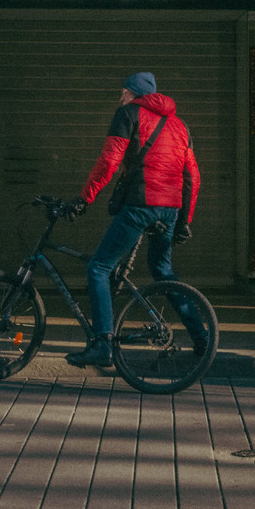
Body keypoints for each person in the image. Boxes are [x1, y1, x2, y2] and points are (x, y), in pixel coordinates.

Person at [66, 71, 200, 367]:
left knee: (99, 267)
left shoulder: (128, 114)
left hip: (141, 206)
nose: (120, 97)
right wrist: (184, 221)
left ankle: (103, 344)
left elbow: (109, 161)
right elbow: (192, 175)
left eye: (123, 92)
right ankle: (202, 337)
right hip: (170, 210)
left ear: (134, 94)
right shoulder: (179, 124)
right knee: (162, 270)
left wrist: (84, 199)